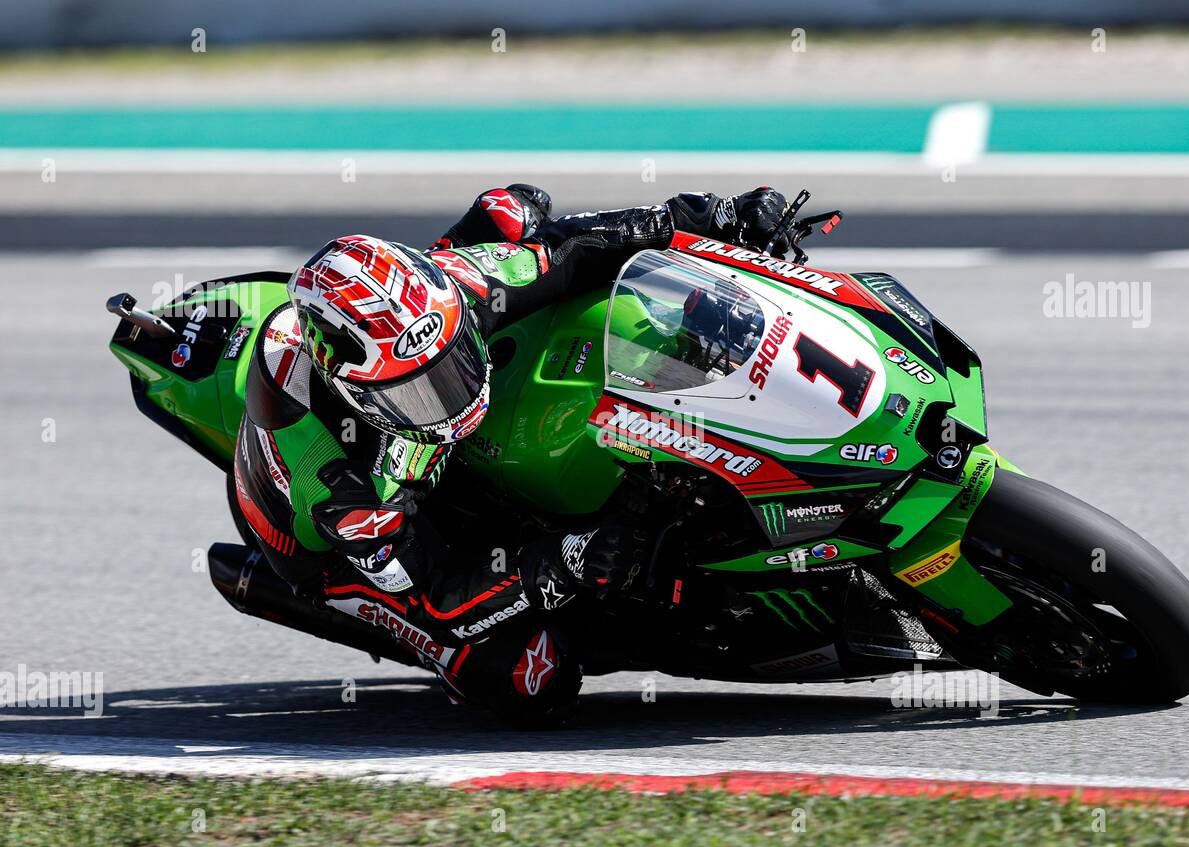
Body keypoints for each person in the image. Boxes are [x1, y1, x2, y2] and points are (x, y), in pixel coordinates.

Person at [232, 184, 791, 722]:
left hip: (417, 423)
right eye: (416, 392)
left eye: (451, 365)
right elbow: (439, 596)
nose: (449, 395)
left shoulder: (454, 287)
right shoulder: (344, 489)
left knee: (516, 215)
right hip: (352, 548)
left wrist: (713, 216)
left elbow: (573, 247)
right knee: (524, 682)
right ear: (354, 391)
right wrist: (556, 560)